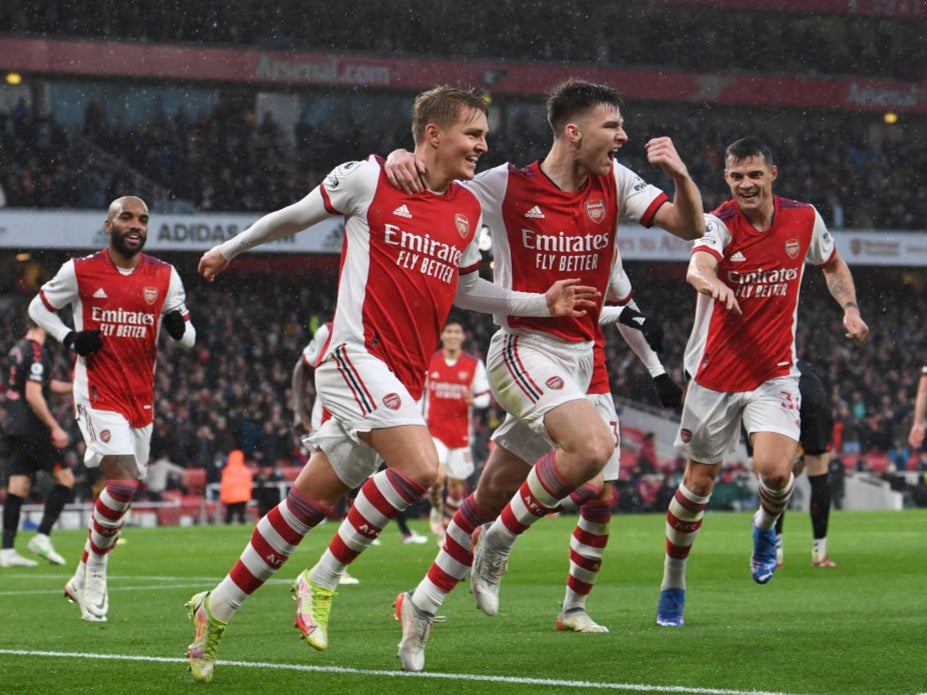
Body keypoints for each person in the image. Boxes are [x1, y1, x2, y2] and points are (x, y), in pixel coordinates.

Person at [184, 86, 597, 683]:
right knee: (422, 470)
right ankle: (319, 580)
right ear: (433, 134)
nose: (483, 145)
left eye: (484, 135)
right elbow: (295, 214)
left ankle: (213, 610)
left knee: (306, 504)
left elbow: (465, 291)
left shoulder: (466, 210)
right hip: (353, 355)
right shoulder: (368, 179)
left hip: (403, 374)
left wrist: (541, 302)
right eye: (472, 134)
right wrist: (231, 248)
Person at [385, 78, 703, 671]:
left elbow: (689, 226)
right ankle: (500, 543)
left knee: (491, 493)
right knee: (591, 449)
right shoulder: (503, 185)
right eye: (613, 127)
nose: (624, 137)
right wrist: (403, 157)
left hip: (583, 359)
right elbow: (432, 179)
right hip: (524, 347)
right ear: (573, 131)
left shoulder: (617, 181)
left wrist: (682, 176)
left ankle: (420, 606)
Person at [655, 136, 869, 628]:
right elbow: (698, 263)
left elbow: (832, 264)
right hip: (712, 376)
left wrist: (851, 309)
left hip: (774, 374)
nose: (745, 184)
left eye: (754, 174)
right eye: (736, 176)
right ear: (727, 179)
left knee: (775, 474)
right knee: (696, 487)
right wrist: (711, 281)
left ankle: (765, 528)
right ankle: (673, 580)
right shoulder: (719, 222)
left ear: (773, 174)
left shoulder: (804, 218)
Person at [28, 195, 196, 621]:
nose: (136, 224)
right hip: (98, 391)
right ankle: (98, 572)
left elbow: (188, 336)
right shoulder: (81, 271)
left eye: (143, 219)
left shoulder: (165, 275)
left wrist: (179, 329)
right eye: (127, 217)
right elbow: (38, 307)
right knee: (121, 484)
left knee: (125, 492)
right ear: (109, 224)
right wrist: (69, 338)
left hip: (141, 397)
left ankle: (78, 574)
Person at [1, 319, 74, 568]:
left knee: (17, 487)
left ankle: (7, 550)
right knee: (65, 481)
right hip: (34, 429)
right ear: (45, 322)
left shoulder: (18, 348)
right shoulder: (35, 351)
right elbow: (33, 393)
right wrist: (54, 426)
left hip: (14, 427)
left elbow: (44, 384)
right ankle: (42, 537)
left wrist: (75, 387)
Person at [423, 317, 490, 543]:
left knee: (456, 487)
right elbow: (421, 395)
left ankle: (447, 528)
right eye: (448, 332)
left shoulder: (473, 365)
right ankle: (435, 508)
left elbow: (485, 397)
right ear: (442, 336)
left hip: (462, 433)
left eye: (456, 332)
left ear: (462, 337)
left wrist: (474, 401)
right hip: (435, 429)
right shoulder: (430, 362)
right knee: (437, 478)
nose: (452, 335)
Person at [770, 360, 838, 568]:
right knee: (819, 474)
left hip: (781, 396)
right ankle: (820, 553)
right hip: (814, 398)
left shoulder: (765, 365)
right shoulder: (805, 368)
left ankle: (775, 553)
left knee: (774, 478)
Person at [219, 449, 254, 524]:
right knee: (241, 514)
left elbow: (225, 484)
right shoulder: (246, 470)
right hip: (243, 495)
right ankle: (242, 526)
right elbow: (249, 484)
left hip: (231, 496)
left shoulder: (227, 470)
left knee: (229, 514)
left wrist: (223, 496)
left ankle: (227, 528)